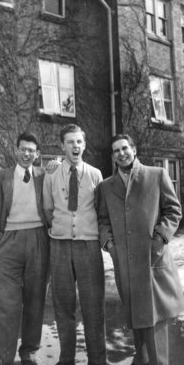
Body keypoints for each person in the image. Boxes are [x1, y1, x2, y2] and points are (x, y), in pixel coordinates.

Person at [96, 134, 184, 365]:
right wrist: (110, 245)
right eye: (116, 150)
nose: (121, 153)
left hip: (152, 261)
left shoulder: (156, 175)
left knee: (155, 325)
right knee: (137, 325)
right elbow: (103, 220)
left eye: (125, 148)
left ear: (134, 150)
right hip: (125, 263)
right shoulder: (106, 186)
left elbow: (173, 210)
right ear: (113, 156)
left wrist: (160, 238)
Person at [43, 123, 107, 365]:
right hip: (59, 246)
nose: (75, 146)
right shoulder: (51, 174)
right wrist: (61, 230)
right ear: (62, 146)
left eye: (79, 141)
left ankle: (98, 360)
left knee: (93, 307)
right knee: (63, 305)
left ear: (85, 145)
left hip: (88, 246)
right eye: (70, 142)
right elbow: (48, 208)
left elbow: (100, 210)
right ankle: (66, 359)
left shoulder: (95, 174)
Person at [0, 132, 50, 365]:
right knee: (6, 303)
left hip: (38, 240)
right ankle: (4, 356)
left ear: (37, 154)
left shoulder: (45, 175)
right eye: (23, 149)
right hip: (8, 243)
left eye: (31, 150)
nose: (26, 154)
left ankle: (30, 352)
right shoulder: (1, 177)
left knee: (35, 300)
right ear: (15, 150)